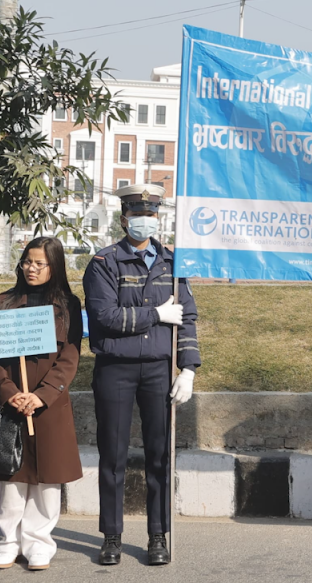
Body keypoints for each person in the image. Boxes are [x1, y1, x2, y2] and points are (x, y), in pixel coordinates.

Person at [84, 184, 199, 567]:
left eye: (150, 214)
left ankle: (157, 535)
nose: (143, 221)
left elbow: (187, 319)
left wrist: (188, 368)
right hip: (115, 368)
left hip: (158, 370)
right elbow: (105, 317)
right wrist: (155, 315)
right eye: (137, 215)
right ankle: (112, 537)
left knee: (159, 455)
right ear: (124, 219)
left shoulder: (172, 261)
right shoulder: (104, 263)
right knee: (113, 456)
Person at [0, 236, 84, 570]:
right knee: (13, 479)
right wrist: (9, 392)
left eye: (40, 263)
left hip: (49, 406)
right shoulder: (5, 301)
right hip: (12, 404)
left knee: (47, 480)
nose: (31, 268)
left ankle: (39, 543)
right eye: (27, 261)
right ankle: (8, 542)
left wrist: (41, 395)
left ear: (54, 266)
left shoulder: (69, 305)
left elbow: (70, 357)